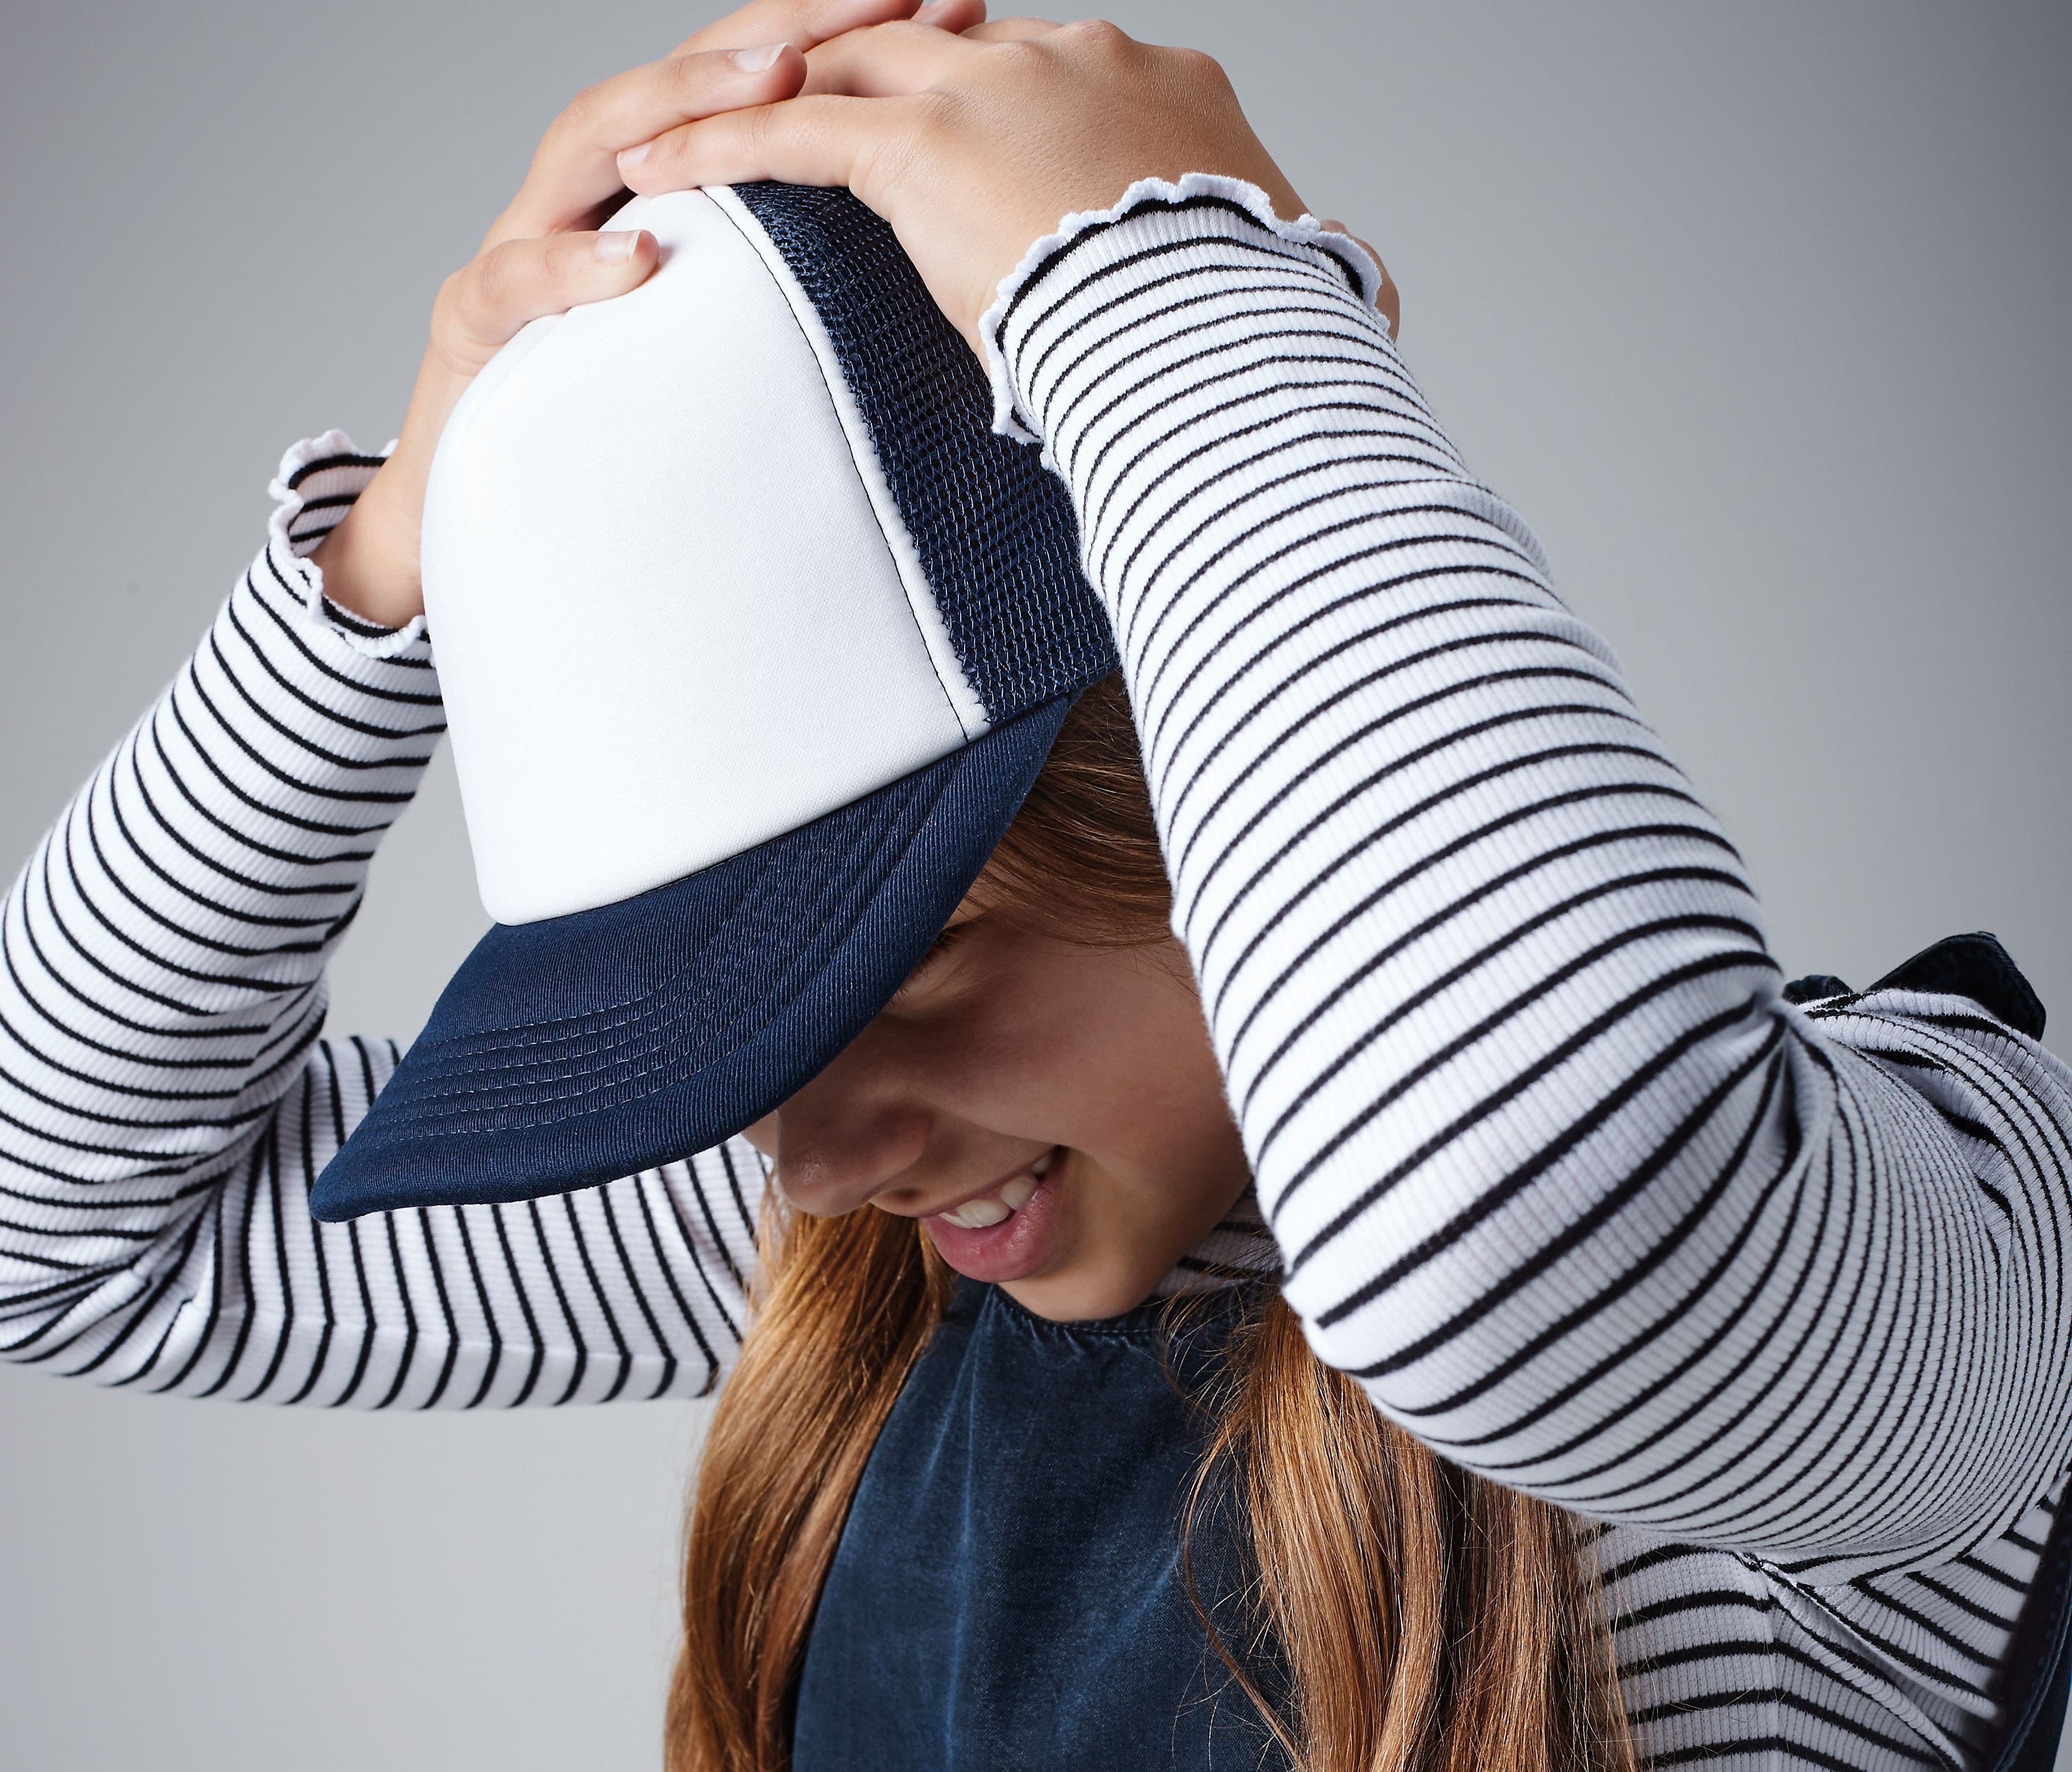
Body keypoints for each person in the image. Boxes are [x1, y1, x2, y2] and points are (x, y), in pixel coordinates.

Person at [3, 2, 2069, 1769]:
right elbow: (53, 1229)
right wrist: (392, 566)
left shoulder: (1926, 1203)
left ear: (1201, 772)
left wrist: (1169, 291)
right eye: (741, 1030)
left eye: (908, 974)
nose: (812, 1157)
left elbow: (1514, 1233)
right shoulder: (892, 1249)